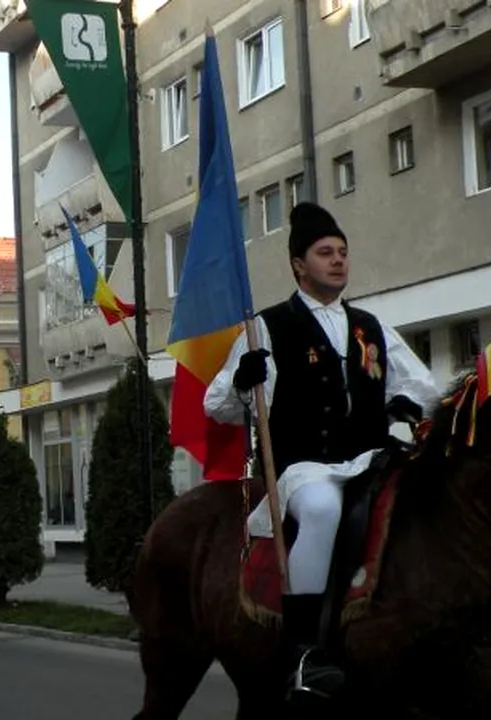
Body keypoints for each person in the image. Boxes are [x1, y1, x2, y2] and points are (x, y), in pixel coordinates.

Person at [204, 201, 440, 701]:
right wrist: (245, 384)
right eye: (325, 252)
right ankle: (303, 648)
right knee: (321, 508)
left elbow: (426, 387)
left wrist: (403, 402)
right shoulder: (269, 326)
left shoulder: (370, 327)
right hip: (306, 467)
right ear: (298, 265)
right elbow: (218, 404)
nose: (338, 260)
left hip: (372, 458)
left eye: (343, 252)